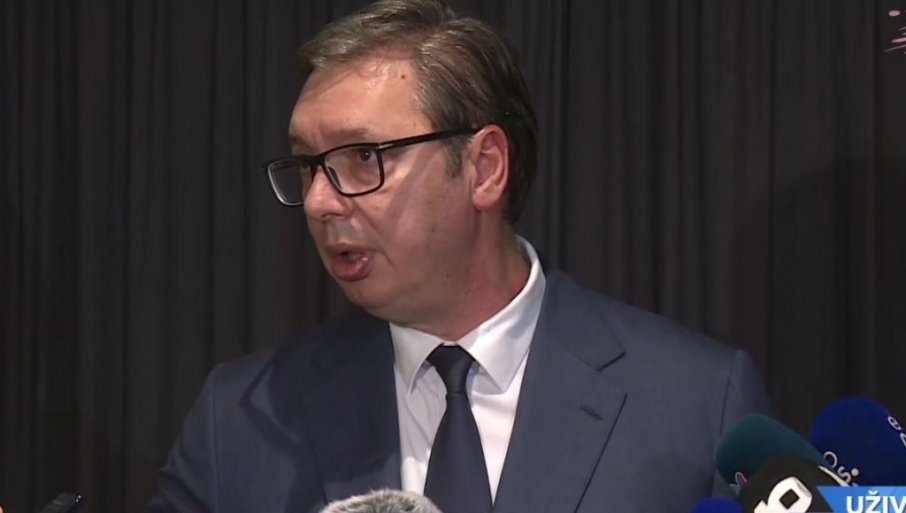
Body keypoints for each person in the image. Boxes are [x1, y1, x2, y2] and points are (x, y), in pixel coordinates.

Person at [148, 1, 773, 512]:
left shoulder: (698, 405)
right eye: (309, 165)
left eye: (363, 158)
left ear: (485, 168)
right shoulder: (241, 421)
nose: (318, 201)